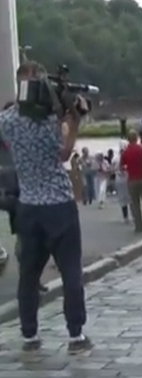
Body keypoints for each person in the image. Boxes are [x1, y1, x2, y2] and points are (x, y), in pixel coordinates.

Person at [0, 61, 92, 353]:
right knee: (70, 273)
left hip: (28, 206)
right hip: (59, 205)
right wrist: (74, 119)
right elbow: (64, 153)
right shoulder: (51, 120)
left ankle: (29, 335)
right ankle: (75, 335)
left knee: (28, 275)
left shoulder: (8, 121)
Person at [120, 130, 142, 234]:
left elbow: (122, 167)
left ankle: (138, 227)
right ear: (137, 138)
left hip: (132, 180)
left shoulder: (125, 152)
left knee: (135, 205)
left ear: (128, 139)